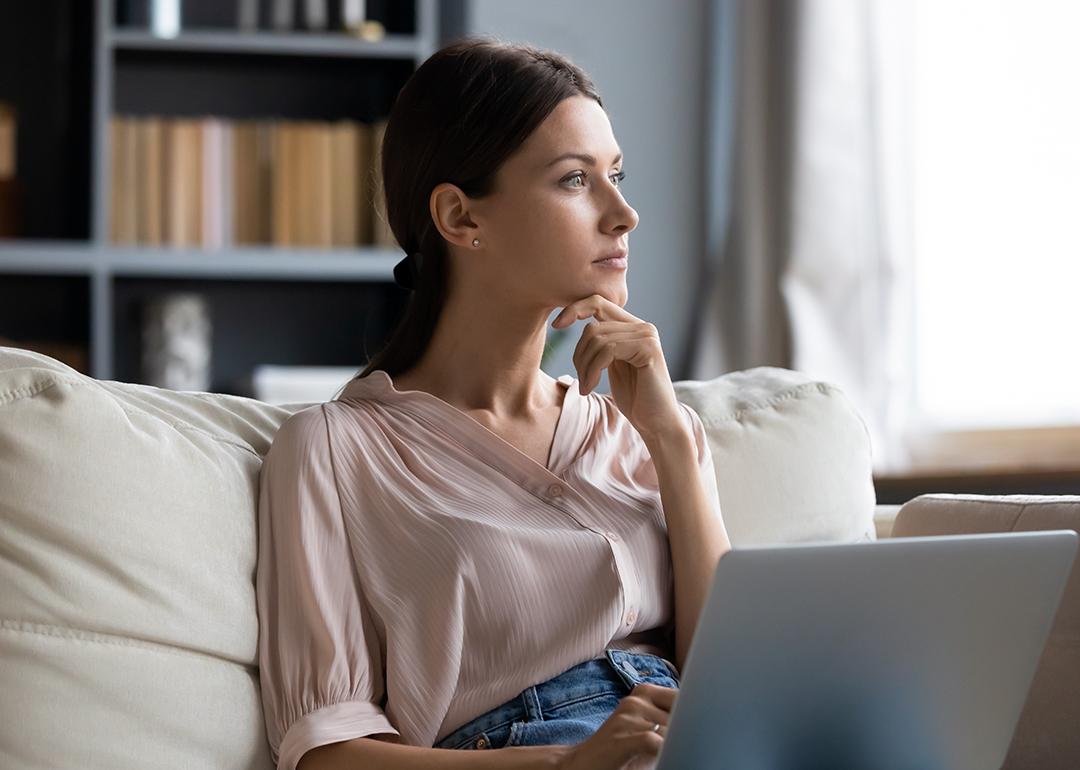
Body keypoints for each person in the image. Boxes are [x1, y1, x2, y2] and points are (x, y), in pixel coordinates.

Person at [255, 35, 732, 770]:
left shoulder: (644, 429)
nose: (624, 213)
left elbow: (734, 683)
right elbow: (331, 753)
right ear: (460, 218)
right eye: (576, 180)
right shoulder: (334, 450)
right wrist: (566, 767)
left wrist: (671, 441)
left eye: (617, 174)